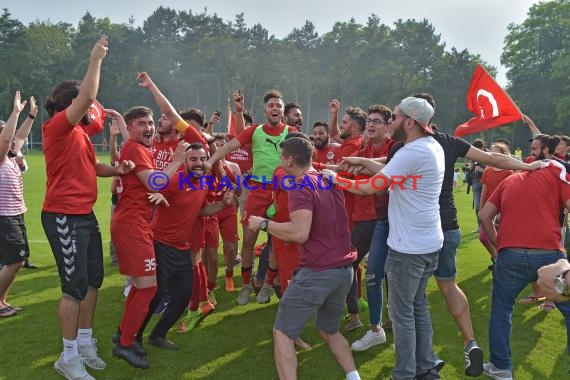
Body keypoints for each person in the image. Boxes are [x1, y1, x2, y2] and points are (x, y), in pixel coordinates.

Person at [326, 96, 445, 380]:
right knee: (417, 307)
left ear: (410, 122)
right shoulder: (430, 146)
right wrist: (362, 162)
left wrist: (334, 179)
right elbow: (392, 173)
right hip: (428, 243)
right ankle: (426, 365)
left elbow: (371, 187)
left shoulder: (410, 152)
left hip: (409, 248)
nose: (390, 121)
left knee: (402, 314)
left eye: (394, 117)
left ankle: (404, 373)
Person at [41, 36, 132, 380]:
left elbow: (92, 168)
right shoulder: (57, 128)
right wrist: (95, 59)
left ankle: (84, 342)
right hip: (62, 215)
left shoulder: (80, 136)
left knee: (93, 280)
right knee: (73, 288)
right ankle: (67, 357)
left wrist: (117, 170)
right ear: (70, 105)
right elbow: (89, 98)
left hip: (84, 214)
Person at [248, 136, 361, 380]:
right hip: (344, 271)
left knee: (283, 332)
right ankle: (354, 377)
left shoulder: (299, 185)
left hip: (319, 271)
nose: (279, 162)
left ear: (289, 159)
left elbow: (299, 232)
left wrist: (264, 224)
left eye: (281, 157)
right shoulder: (327, 180)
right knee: (329, 329)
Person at [136, 143, 235, 350]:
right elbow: (151, 190)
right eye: (193, 159)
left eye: (202, 159)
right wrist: (159, 196)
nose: (199, 163)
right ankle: (132, 337)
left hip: (182, 247)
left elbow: (202, 211)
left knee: (182, 296)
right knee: (155, 295)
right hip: (159, 244)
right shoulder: (175, 179)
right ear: (186, 161)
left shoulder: (204, 183)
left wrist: (223, 205)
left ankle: (157, 335)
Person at [110, 106, 186, 369]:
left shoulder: (140, 148)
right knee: (148, 287)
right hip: (131, 225)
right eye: (142, 123)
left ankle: (124, 334)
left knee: (143, 286)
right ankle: (126, 344)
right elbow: (154, 183)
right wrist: (176, 160)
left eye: (151, 122)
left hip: (136, 223)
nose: (149, 127)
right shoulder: (133, 148)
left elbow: (147, 187)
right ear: (131, 129)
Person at [478, 160, 570, 380]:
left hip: (510, 253)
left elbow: (484, 216)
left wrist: (499, 247)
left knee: (501, 310)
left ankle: (501, 367)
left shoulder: (510, 179)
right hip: (549, 252)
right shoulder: (557, 176)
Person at [205, 89, 291, 306]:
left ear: (283, 111)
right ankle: (245, 285)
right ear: (265, 109)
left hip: (282, 191)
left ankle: (269, 283)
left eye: (278, 105)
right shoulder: (255, 131)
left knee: (279, 240)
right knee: (249, 239)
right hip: (258, 190)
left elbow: (305, 157)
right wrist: (211, 160)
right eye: (271, 105)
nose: (275, 108)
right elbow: (229, 145)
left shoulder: (292, 132)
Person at [0, 92, 36, 318]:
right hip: (5, 216)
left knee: (17, 261)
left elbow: (18, 136)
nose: (14, 140)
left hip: (15, 214)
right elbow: (6, 139)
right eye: (9, 137)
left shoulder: (12, 157)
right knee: (15, 260)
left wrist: (31, 116)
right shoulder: (1, 157)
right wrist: (15, 113)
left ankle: (2, 300)